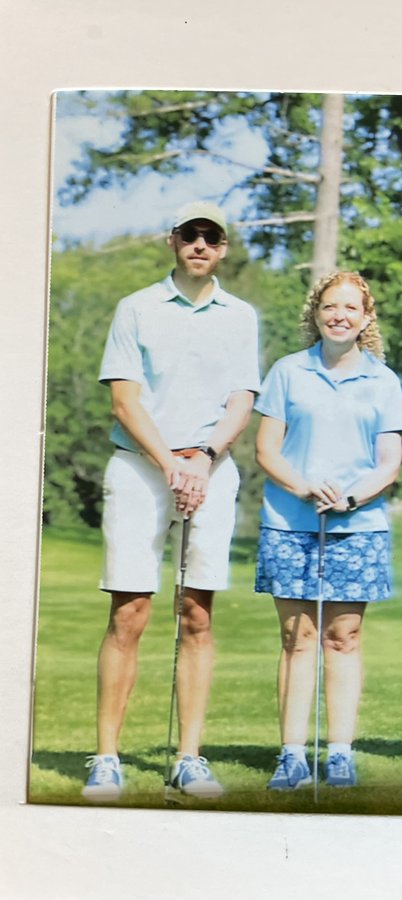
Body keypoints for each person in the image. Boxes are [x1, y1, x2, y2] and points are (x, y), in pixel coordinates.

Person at [84, 201, 260, 801]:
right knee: (130, 612)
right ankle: (106, 756)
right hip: (140, 467)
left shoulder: (241, 316)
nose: (201, 246)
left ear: (224, 248)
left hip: (210, 467)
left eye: (212, 238)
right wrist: (171, 465)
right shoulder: (135, 308)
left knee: (197, 613)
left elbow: (241, 400)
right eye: (191, 236)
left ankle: (189, 756)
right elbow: (125, 403)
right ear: (173, 241)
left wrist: (203, 460)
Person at [254, 271, 402, 790]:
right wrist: (303, 489)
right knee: (298, 639)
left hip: (357, 525)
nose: (339, 315)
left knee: (343, 638)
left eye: (350, 308)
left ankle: (340, 752)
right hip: (291, 522)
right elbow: (266, 451)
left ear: (366, 319)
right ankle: (292, 755)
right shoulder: (286, 372)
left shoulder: (382, 380)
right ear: (315, 313)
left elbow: (389, 462)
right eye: (329, 306)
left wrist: (351, 497)